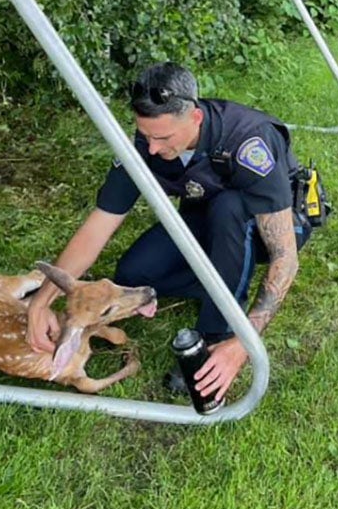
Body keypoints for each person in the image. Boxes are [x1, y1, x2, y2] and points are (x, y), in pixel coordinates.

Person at [27, 62, 312, 401]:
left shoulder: (248, 141)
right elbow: (98, 225)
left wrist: (242, 343)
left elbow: (285, 257)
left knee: (229, 209)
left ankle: (215, 333)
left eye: (162, 138)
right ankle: (221, 276)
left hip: (272, 225)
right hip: (207, 217)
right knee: (134, 273)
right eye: (145, 135)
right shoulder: (145, 144)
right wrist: (41, 303)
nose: (151, 149)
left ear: (195, 118)